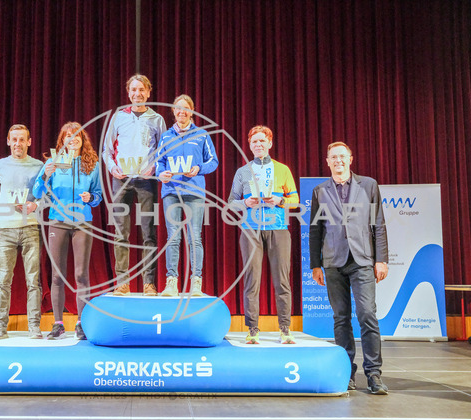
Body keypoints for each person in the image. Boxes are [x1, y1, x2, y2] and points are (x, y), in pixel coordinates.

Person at [309, 141, 389, 395]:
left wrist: (381, 259)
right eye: (334, 157)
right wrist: (315, 264)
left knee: (367, 315)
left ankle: (374, 373)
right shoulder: (319, 191)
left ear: (350, 159)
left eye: (342, 156)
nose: (338, 161)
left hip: (362, 260)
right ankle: (347, 372)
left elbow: (379, 224)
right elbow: (315, 230)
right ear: (327, 161)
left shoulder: (369, 185)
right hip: (333, 262)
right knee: (341, 318)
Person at [228, 126, 298, 345]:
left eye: (262, 141)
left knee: (282, 280)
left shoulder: (282, 169)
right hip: (251, 230)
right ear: (250, 146)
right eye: (254, 142)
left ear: (270, 143)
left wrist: (281, 200)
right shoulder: (243, 172)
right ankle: (252, 329)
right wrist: (244, 202)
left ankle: (285, 329)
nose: (258, 145)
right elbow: (231, 202)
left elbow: (295, 201)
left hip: (278, 228)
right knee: (252, 280)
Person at [33, 122, 102, 340]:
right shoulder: (52, 163)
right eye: (68, 136)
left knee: (81, 274)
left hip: (82, 223)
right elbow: (37, 192)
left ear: (83, 139)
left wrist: (90, 198)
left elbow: (98, 195)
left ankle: (81, 323)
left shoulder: (92, 164)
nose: (73, 140)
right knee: (57, 275)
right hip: (58, 222)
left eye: (77, 136)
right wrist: (45, 175)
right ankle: (58, 324)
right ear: (62, 141)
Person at [102, 74, 166, 296]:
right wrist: (112, 168)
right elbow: (107, 149)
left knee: (149, 232)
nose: (137, 94)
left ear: (148, 92)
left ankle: (149, 283)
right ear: (128, 93)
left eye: (141, 90)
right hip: (121, 180)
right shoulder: (119, 117)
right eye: (134, 90)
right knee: (121, 232)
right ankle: (122, 282)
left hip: (146, 181)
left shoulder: (157, 119)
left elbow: (163, 150)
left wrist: (154, 167)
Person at [156, 94, 218, 297]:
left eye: (186, 108)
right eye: (178, 108)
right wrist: (161, 174)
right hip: (171, 191)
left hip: (194, 191)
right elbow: (159, 162)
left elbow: (213, 161)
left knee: (194, 237)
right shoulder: (166, 137)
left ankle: (196, 282)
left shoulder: (202, 135)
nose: (182, 112)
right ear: (173, 111)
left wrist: (199, 168)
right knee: (173, 237)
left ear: (192, 111)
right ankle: (171, 283)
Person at [0, 124, 44, 339]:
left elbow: (46, 194)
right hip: (5, 230)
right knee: (3, 281)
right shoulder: (0, 165)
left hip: (30, 228)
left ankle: (34, 326)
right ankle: (0, 327)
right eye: (14, 139)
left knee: (33, 281)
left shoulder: (38, 166)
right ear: (8, 142)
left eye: (22, 139)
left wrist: (36, 205)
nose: (18, 143)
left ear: (29, 142)